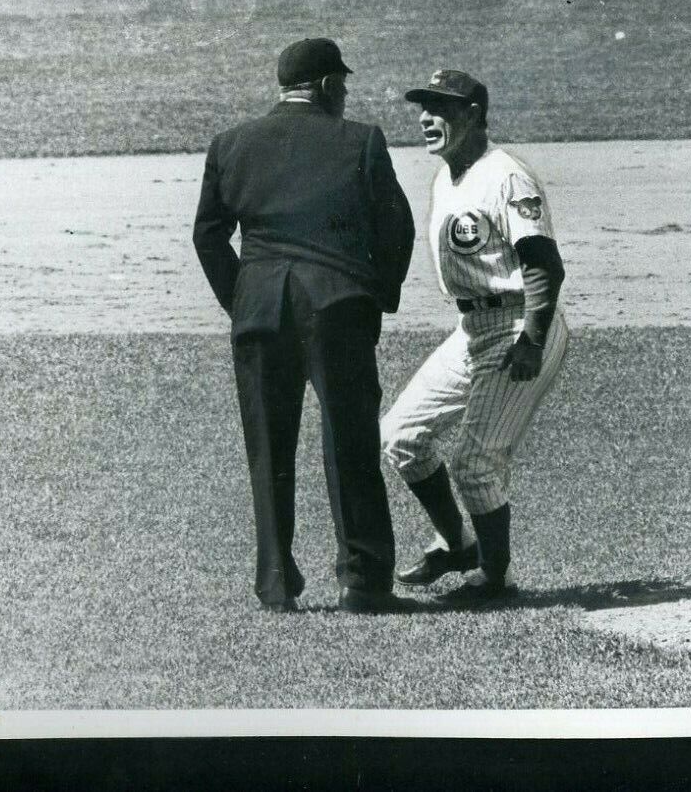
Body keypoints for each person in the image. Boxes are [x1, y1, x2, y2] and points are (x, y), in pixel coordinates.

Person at [193, 38, 416, 614]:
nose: (344, 95)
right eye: (341, 84)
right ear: (324, 87)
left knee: (268, 447)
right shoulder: (360, 140)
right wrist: (376, 297)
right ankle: (362, 583)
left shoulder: (231, 144)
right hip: (336, 305)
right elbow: (397, 228)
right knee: (351, 441)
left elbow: (208, 235)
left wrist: (242, 299)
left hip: (261, 306)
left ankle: (275, 583)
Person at [380, 69, 570, 604]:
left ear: (474, 114)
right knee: (400, 437)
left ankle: (494, 579)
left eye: (440, 108)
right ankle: (459, 546)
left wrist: (531, 339)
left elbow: (544, 266)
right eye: (423, 107)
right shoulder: (448, 176)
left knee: (474, 463)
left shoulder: (507, 177)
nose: (426, 118)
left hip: (518, 326)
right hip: (473, 329)